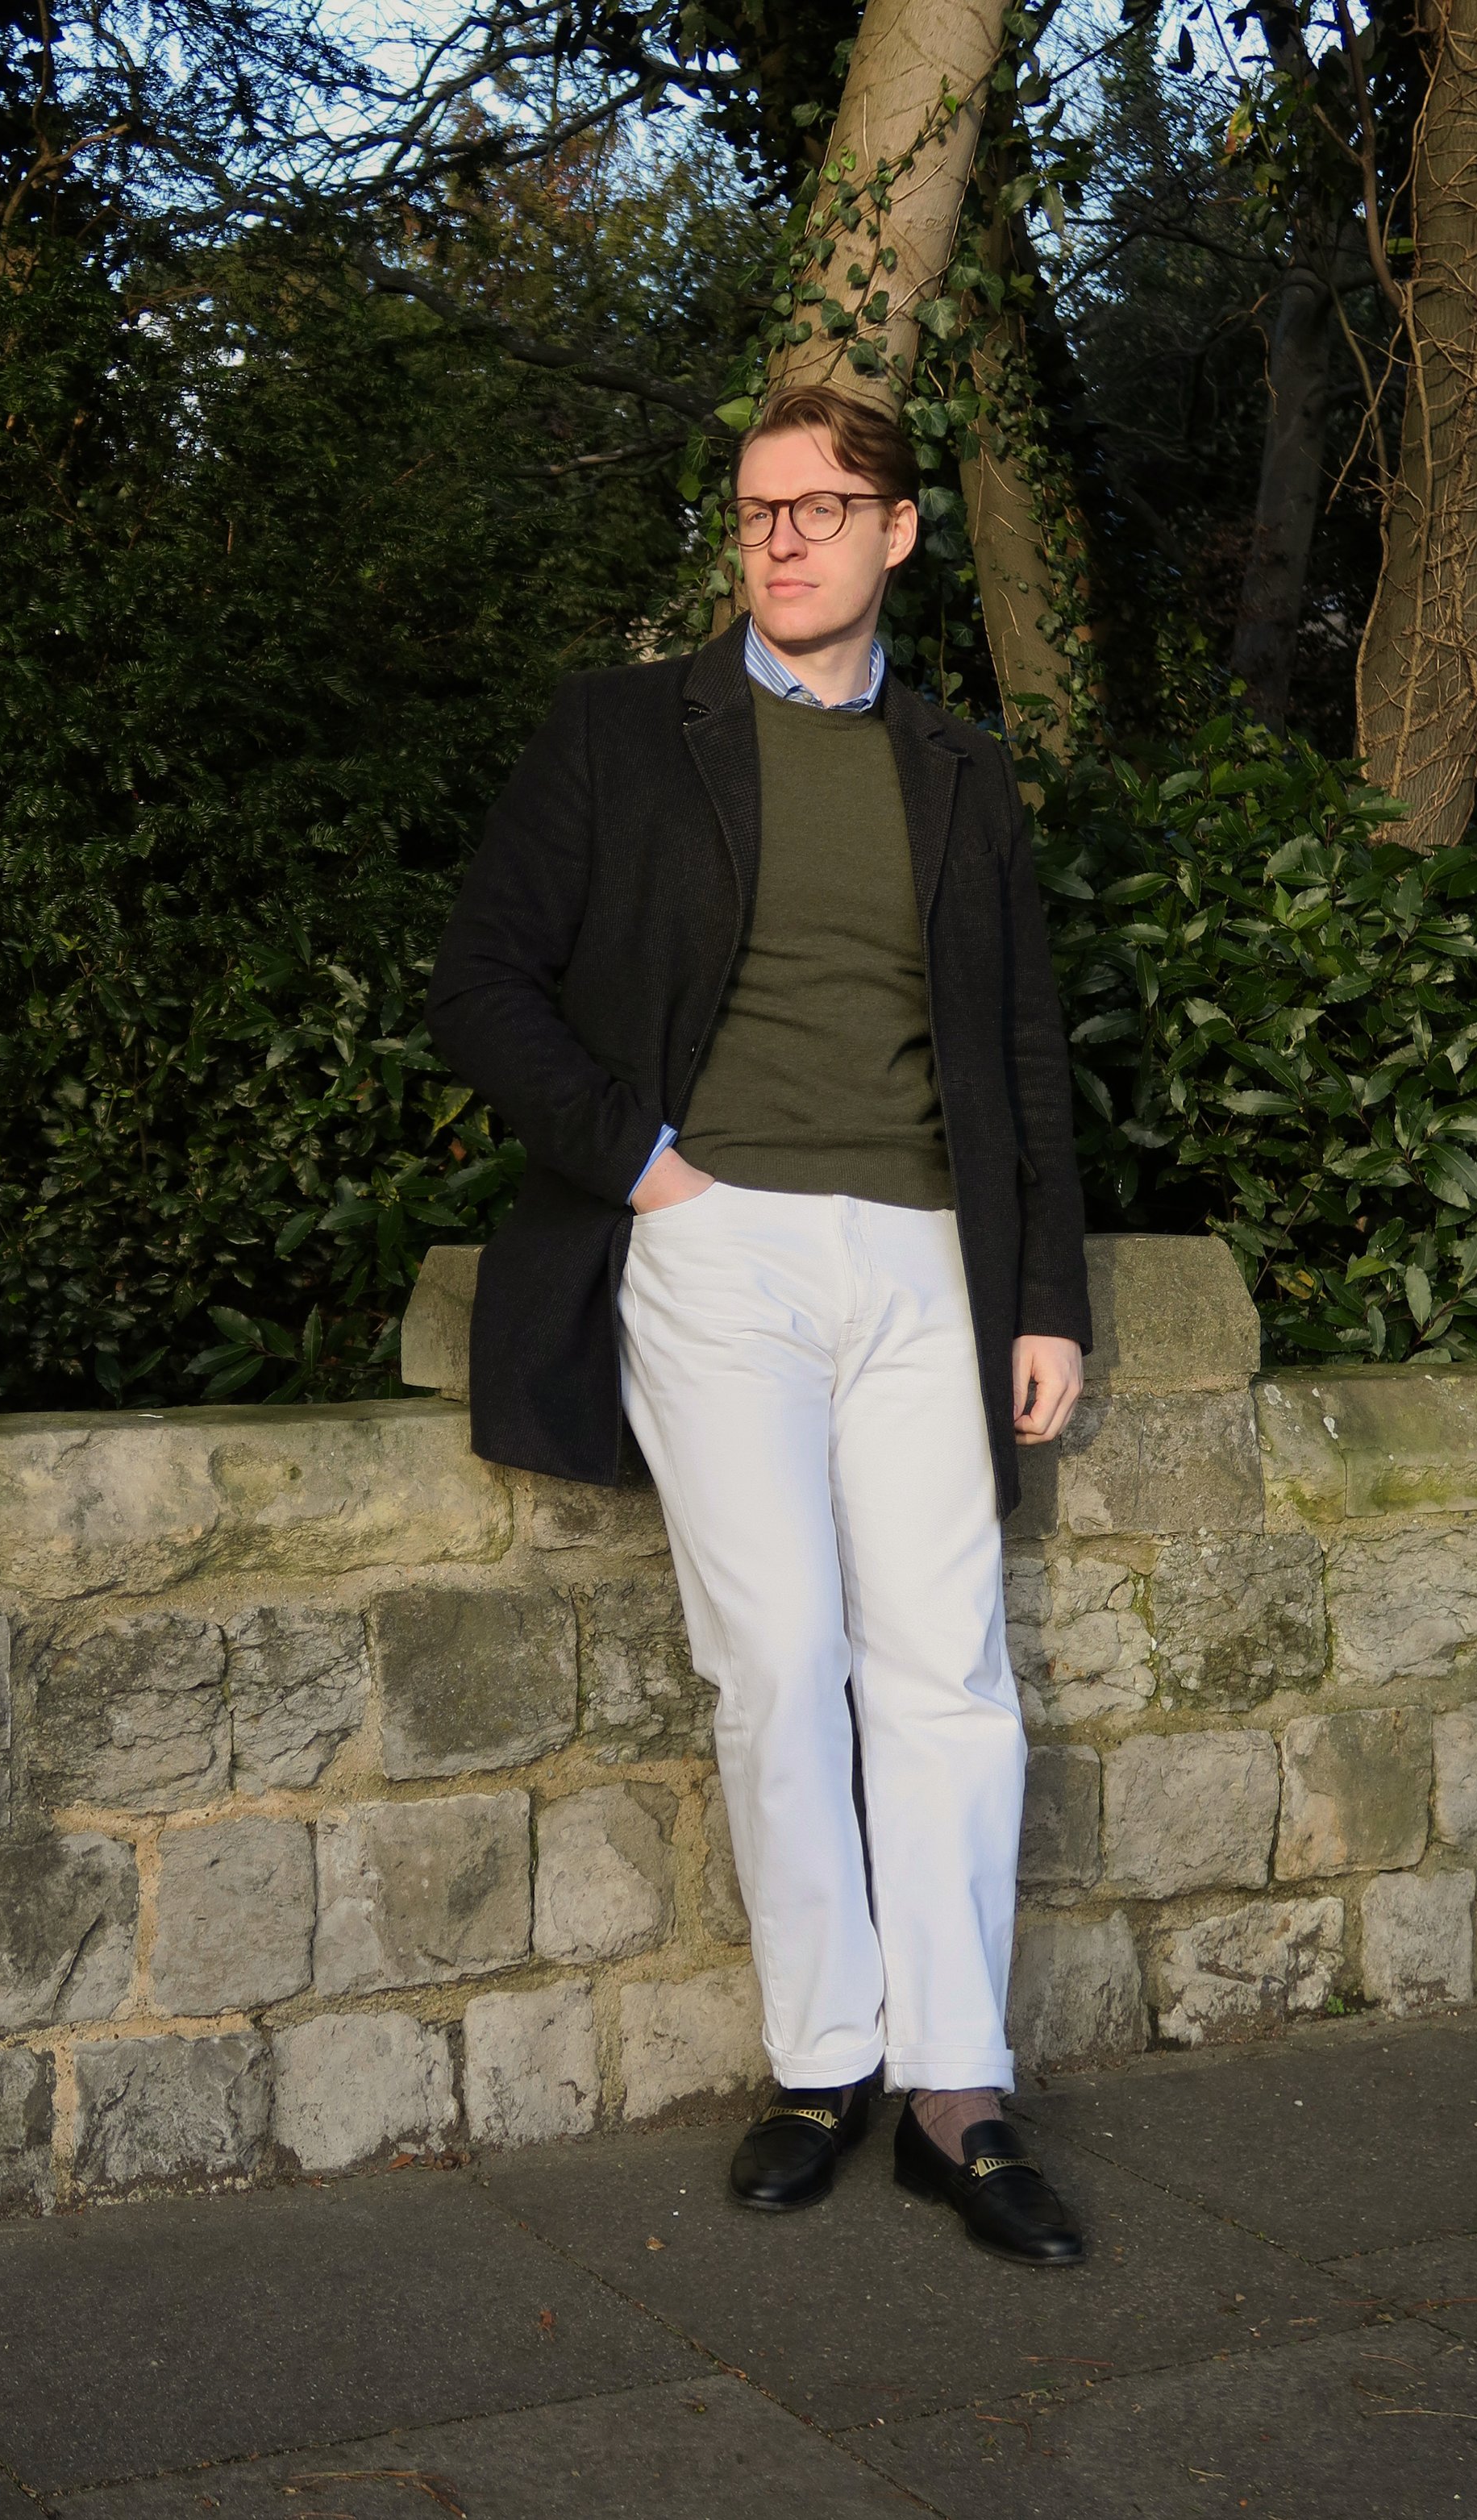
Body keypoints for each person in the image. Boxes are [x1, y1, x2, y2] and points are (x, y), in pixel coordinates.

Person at [427, 382, 1092, 2267]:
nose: (782, 539)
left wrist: (1040, 1295)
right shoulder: (625, 733)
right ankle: (824, 2064)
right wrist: (644, 1168)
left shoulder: (958, 771)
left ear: (898, 533)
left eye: (820, 509)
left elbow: (1022, 1051)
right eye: (753, 513)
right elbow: (480, 982)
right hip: (712, 1249)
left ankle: (958, 2094)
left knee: (945, 1667)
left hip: (925, 1263)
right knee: (782, 1662)